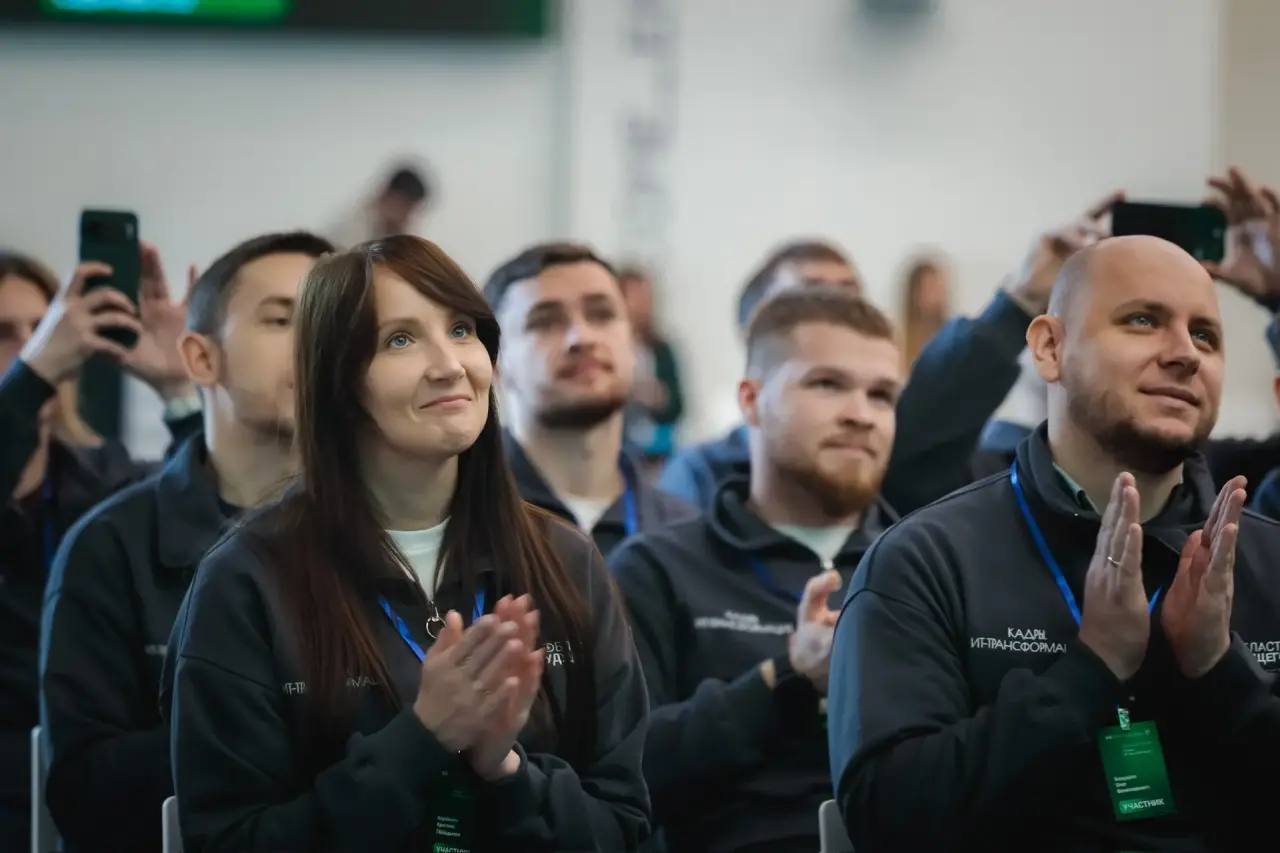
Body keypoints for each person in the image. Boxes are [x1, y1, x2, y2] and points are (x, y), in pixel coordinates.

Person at [162, 235, 649, 851]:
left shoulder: (564, 560)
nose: (450, 365)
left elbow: (623, 827)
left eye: (461, 331)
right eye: (399, 340)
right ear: (339, 380)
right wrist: (423, 739)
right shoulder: (249, 579)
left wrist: (505, 768)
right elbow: (229, 840)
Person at [828, 235, 1280, 852]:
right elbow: (888, 821)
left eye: (1205, 336)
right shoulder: (927, 559)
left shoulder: (1268, 560)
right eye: (1142, 320)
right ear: (1049, 347)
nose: (1184, 354)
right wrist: (1091, 670)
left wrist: (1218, 671)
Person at [39, 231, 333, 852]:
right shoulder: (112, 544)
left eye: (332, 320)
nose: (316, 340)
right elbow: (84, 791)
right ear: (201, 358)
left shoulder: (384, 534)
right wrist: (265, 729)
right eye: (283, 318)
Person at [612, 287, 902, 852]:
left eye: (882, 395)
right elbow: (624, 774)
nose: (861, 414)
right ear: (751, 400)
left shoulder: (924, 569)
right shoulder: (657, 569)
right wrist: (785, 681)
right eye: (827, 384)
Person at [0, 247, 196, 848]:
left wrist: (180, 390)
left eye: (43, 327)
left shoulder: (110, 482)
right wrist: (30, 375)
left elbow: (221, 522)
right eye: (5, 334)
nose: (34, 346)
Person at [660, 233, 1049, 516]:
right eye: (812, 296)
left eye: (880, 395)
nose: (860, 416)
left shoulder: (891, 477)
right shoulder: (697, 479)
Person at [483, 243, 693, 559]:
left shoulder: (686, 535)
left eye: (602, 314)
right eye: (545, 321)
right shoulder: (452, 516)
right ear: (495, 364)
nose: (582, 337)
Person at [618, 266, 685, 468]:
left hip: (657, 451)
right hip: (620, 450)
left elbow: (678, 404)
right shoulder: (609, 349)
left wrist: (661, 399)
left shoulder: (661, 349)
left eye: (646, 296)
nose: (642, 303)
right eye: (635, 296)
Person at [328, 163, 433, 249]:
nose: (408, 217)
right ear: (388, 196)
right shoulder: (351, 228)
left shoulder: (391, 233)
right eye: (407, 208)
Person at [899, 255, 951, 367]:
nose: (937, 295)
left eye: (939, 288)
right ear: (915, 293)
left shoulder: (951, 338)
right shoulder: (900, 339)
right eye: (930, 288)